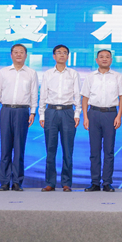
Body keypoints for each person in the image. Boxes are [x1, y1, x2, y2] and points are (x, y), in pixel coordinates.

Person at [0, 44, 38, 191]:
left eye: (21, 52)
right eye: (15, 52)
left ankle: (17, 181)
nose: (18, 55)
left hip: (22, 111)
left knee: (19, 148)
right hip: (6, 110)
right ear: (11, 55)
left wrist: (33, 112)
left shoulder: (31, 73)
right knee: (5, 148)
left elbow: (34, 93)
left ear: (26, 55)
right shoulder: (3, 72)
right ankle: (4, 181)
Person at [81, 49, 122, 192]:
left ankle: (107, 182)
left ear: (111, 60)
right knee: (94, 150)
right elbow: (85, 98)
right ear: (96, 60)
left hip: (110, 114)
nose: (104, 59)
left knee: (109, 150)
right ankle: (95, 182)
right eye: (101, 57)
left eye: (107, 57)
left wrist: (119, 116)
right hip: (93, 114)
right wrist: (85, 117)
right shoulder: (90, 77)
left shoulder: (117, 76)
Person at [38, 45, 80, 192]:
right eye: (59, 53)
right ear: (54, 56)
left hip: (68, 112)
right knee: (50, 148)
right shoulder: (48, 74)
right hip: (51, 112)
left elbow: (77, 95)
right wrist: (42, 114)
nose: (62, 55)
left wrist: (77, 114)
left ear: (68, 56)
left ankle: (66, 183)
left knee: (68, 149)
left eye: (64, 53)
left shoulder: (73, 74)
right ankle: (50, 182)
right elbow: (43, 94)